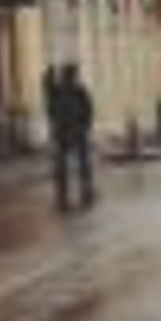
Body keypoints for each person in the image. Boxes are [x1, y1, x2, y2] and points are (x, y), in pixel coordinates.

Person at [50, 62, 95, 210]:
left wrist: (85, 125)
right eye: (71, 74)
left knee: (78, 159)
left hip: (73, 130)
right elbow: (88, 109)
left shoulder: (75, 91)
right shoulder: (63, 90)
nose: (71, 77)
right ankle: (67, 187)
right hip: (68, 130)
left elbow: (88, 108)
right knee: (70, 160)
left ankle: (82, 185)